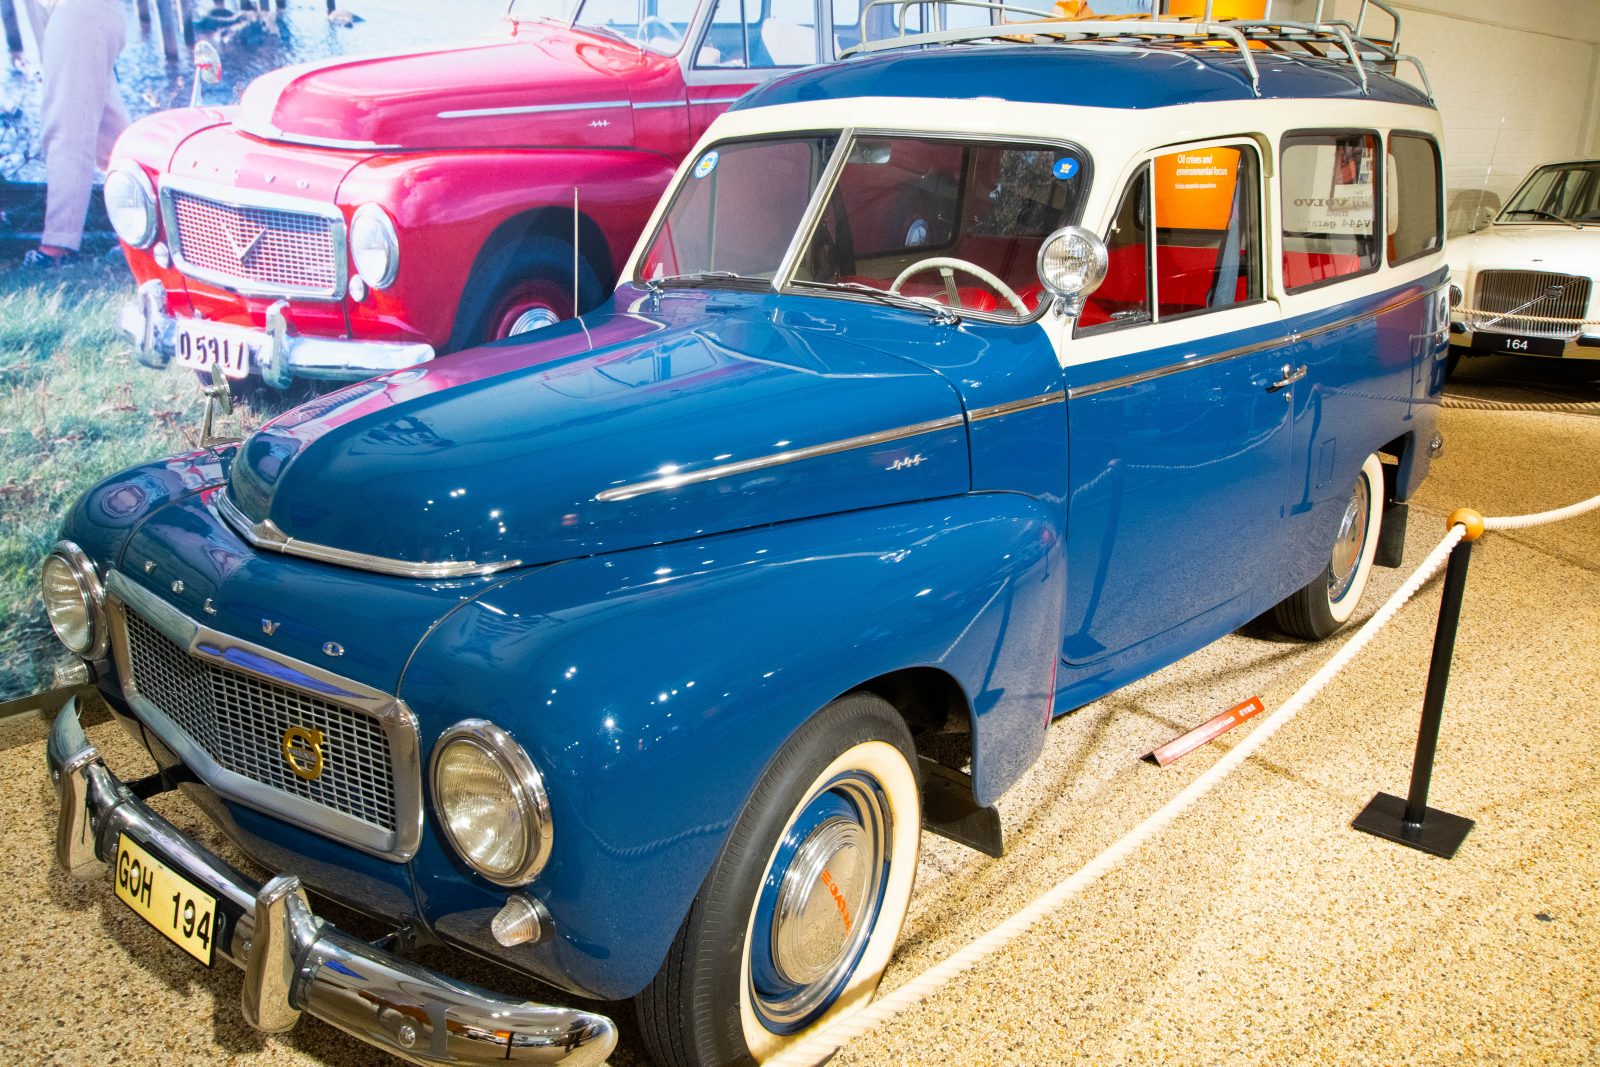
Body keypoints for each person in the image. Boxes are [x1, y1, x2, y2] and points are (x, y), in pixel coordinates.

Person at [21, 0, 129, 268]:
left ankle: (58, 247)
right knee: (109, 135)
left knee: (66, 124)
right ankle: (155, 228)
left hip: (79, 8)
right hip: (58, 8)